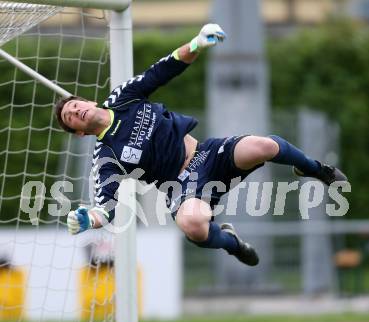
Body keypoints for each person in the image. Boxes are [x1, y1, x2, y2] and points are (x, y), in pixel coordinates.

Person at [55, 24, 347, 267]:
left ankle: (314, 169)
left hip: (207, 154)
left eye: (75, 105)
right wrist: (87, 219)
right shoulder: (104, 155)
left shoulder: (122, 98)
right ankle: (231, 242)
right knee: (193, 224)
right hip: (182, 184)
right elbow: (106, 207)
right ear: (79, 133)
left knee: (264, 146)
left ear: (88, 101)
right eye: (71, 117)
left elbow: (163, 69)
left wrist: (196, 43)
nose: (76, 111)